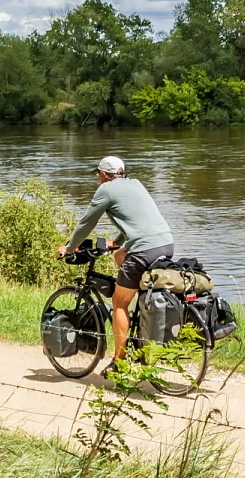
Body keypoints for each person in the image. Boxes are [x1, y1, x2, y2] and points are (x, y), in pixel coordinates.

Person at [57, 155, 174, 368]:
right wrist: (117, 242)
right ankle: (142, 311)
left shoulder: (106, 189)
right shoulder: (136, 184)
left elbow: (86, 223)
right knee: (119, 255)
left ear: (103, 175)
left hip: (143, 250)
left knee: (119, 304)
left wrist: (70, 248)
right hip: (165, 244)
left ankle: (119, 362)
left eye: (98, 176)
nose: (98, 179)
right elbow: (136, 220)